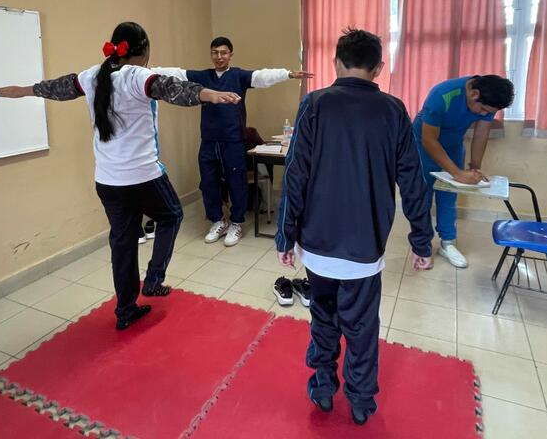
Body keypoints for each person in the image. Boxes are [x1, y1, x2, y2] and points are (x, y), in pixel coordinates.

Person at [0, 22, 240, 330]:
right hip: (143, 176)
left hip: (108, 181)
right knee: (172, 215)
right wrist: (207, 94)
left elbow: (59, 87)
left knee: (123, 243)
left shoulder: (93, 75)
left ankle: (125, 310)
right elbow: (170, 89)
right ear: (144, 51)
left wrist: (26, 91)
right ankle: (153, 279)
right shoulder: (138, 76)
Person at [275, 28, 434, 426]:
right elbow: (413, 179)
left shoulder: (314, 104)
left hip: (317, 243)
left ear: (335, 62)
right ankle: (361, 400)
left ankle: (324, 388)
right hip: (365, 248)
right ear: (379, 67)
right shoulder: (394, 110)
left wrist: (285, 234)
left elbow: (295, 174)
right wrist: (421, 240)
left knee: (323, 318)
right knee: (362, 328)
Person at [152, 36, 312, 247]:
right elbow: (177, 73)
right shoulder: (203, 76)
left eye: (223, 52)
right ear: (211, 54)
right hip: (209, 141)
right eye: (215, 52)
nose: (219, 57)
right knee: (208, 182)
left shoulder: (238, 76)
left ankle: (236, 222)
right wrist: (146, 72)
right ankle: (218, 220)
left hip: (233, 141)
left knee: (237, 182)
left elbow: (262, 76)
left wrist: (288, 74)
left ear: (230, 54)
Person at [412, 75, 514, 268]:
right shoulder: (442, 94)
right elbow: (429, 140)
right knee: (422, 197)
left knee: (449, 195)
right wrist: (457, 173)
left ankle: (447, 243)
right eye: (483, 110)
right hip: (423, 145)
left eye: (488, 112)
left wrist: (474, 167)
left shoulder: (488, 100)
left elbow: (481, 133)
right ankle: (421, 245)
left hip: (453, 145)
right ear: (474, 94)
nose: (484, 114)